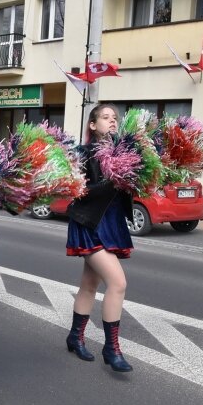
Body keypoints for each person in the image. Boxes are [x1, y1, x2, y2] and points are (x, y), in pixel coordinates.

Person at [64, 103, 134, 372]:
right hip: (90, 224)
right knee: (118, 283)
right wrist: (112, 181)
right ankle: (111, 349)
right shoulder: (83, 154)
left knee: (89, 285)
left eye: (114, 118)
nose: (112, 121)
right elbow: (77, 190)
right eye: (105, 117)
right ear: (92, 126)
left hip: (112, 224)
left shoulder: (123, 152)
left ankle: (74, 337)